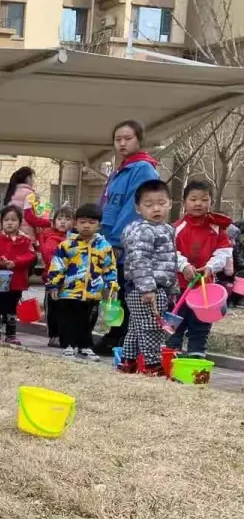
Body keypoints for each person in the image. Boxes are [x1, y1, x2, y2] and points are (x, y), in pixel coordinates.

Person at [94, 120, 160, 355]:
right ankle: (115, 335)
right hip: (109, 238)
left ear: (139, 140)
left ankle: (121, 338)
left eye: (127, 138)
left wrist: (116, 242)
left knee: (127, 291)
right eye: (117, 139)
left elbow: (133, 209)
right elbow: (108, 205)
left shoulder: (143, 169)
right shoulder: (120, 170)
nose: (121, 143)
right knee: (116, 290)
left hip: (127, 243)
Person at [119, 180, 178, 375]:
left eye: (161, 203)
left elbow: (170, 260)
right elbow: (139, 259)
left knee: (137, 328)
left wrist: (173, 287)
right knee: (151, 328)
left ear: (170, 203)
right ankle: (152, 366)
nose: (156, 209)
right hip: (144, 289)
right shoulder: (143, 230)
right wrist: (147, 288)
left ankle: (128, 363)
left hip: (159, 287)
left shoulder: (167, 229)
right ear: (138, 208)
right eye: (149, 204)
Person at [168, 180, 233, 356]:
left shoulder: (217, 228)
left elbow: (224, 251)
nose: (198, 203)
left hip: (205, 288)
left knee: (201, 323)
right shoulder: (175, 228)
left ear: (211, 202)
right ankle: (171, 352)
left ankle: (197, 353)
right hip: (179, 286)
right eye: (193, 199)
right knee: (176, 320)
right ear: (184, 203)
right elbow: (170, 252)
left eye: (204, 199)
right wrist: (184, 266)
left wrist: (210, 267)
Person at [45, 203, 117, 360]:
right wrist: (54, 284)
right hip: (69, 291)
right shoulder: (67, 245)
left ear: (99, 225)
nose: (86, 226)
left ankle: (85, 346)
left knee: (87, 321)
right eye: (83, 222)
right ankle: (68, 345)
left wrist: (112, 286)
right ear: (76, 223)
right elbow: (58, 265)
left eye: (91, 223)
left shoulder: (104, 247)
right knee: (67, 319)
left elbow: (109, 268)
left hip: (92, 293)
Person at [0, 205, 36, 344]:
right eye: (6, 220)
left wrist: (16, 262)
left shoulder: (25, 240)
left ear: (19, 222)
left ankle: (10, 334)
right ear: (1, 223)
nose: (9, 222)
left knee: (12, 307)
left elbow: (31, 256)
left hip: (17, 280)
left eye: (13, 219)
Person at [40, 207, 74, 347]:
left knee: (67, 309)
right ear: (54, 222)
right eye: (59, 219)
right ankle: (54, 335)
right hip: (54, 280)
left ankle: (65, 335)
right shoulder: (51, 238)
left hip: (71, 280)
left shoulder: (74, 238)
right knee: (53, 308)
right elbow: (50, 257)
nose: (63, 222)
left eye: (67, 219)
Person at [4, 166, 51, 239]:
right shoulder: (29, 194)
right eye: (33, 178)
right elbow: (29, 217)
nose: (34, 181)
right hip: (25, 235)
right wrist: (48, 223)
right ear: (28, 178)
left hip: (10, 232)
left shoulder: (11, 191)